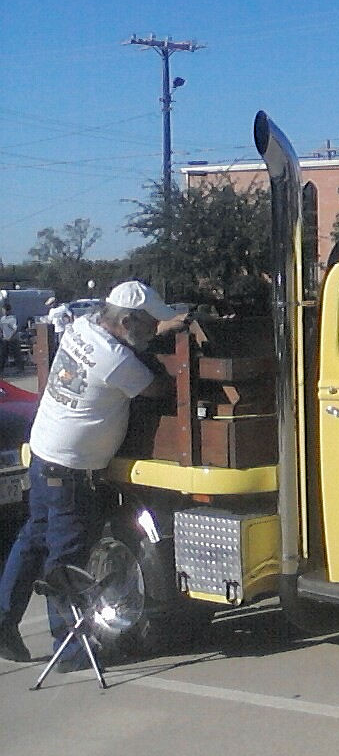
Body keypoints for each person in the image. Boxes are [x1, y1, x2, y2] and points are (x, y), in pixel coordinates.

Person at [0, 281, 188, 667]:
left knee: (34, 538)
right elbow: (159, 391)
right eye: (150, 323)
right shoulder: (117, 361)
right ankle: (69, 649)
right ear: (128, 320)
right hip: (71, 469)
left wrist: (168, 324)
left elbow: (127, 336)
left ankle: (3, 621)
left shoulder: (83, 326)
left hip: (44, 453)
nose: (154, 330)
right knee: (66, 557)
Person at [0, 302, 20, 373]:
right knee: (3, 355)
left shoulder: (12, 319)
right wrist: (2, 335)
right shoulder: (2, 319)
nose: (3, 312)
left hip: (13, 339)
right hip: (5, 339)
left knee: (16, 354)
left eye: (4, 310)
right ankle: (1, 369)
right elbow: (1, 329)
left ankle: (20, 368)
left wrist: (10, 337)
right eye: (2, 310)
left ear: (8, 311)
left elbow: (15, 329)